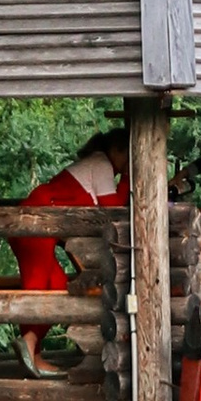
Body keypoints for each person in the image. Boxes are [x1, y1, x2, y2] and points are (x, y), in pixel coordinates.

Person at [12, 134, 124, 375]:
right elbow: (114, 208)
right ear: (117, 149)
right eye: (127, 157)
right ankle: (31, 346)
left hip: (39, 223)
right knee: (38, 286)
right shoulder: (102, 164)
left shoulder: (95, 163)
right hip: (37, 223)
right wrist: (129, 179)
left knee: (57, 286)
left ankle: (32, 348)